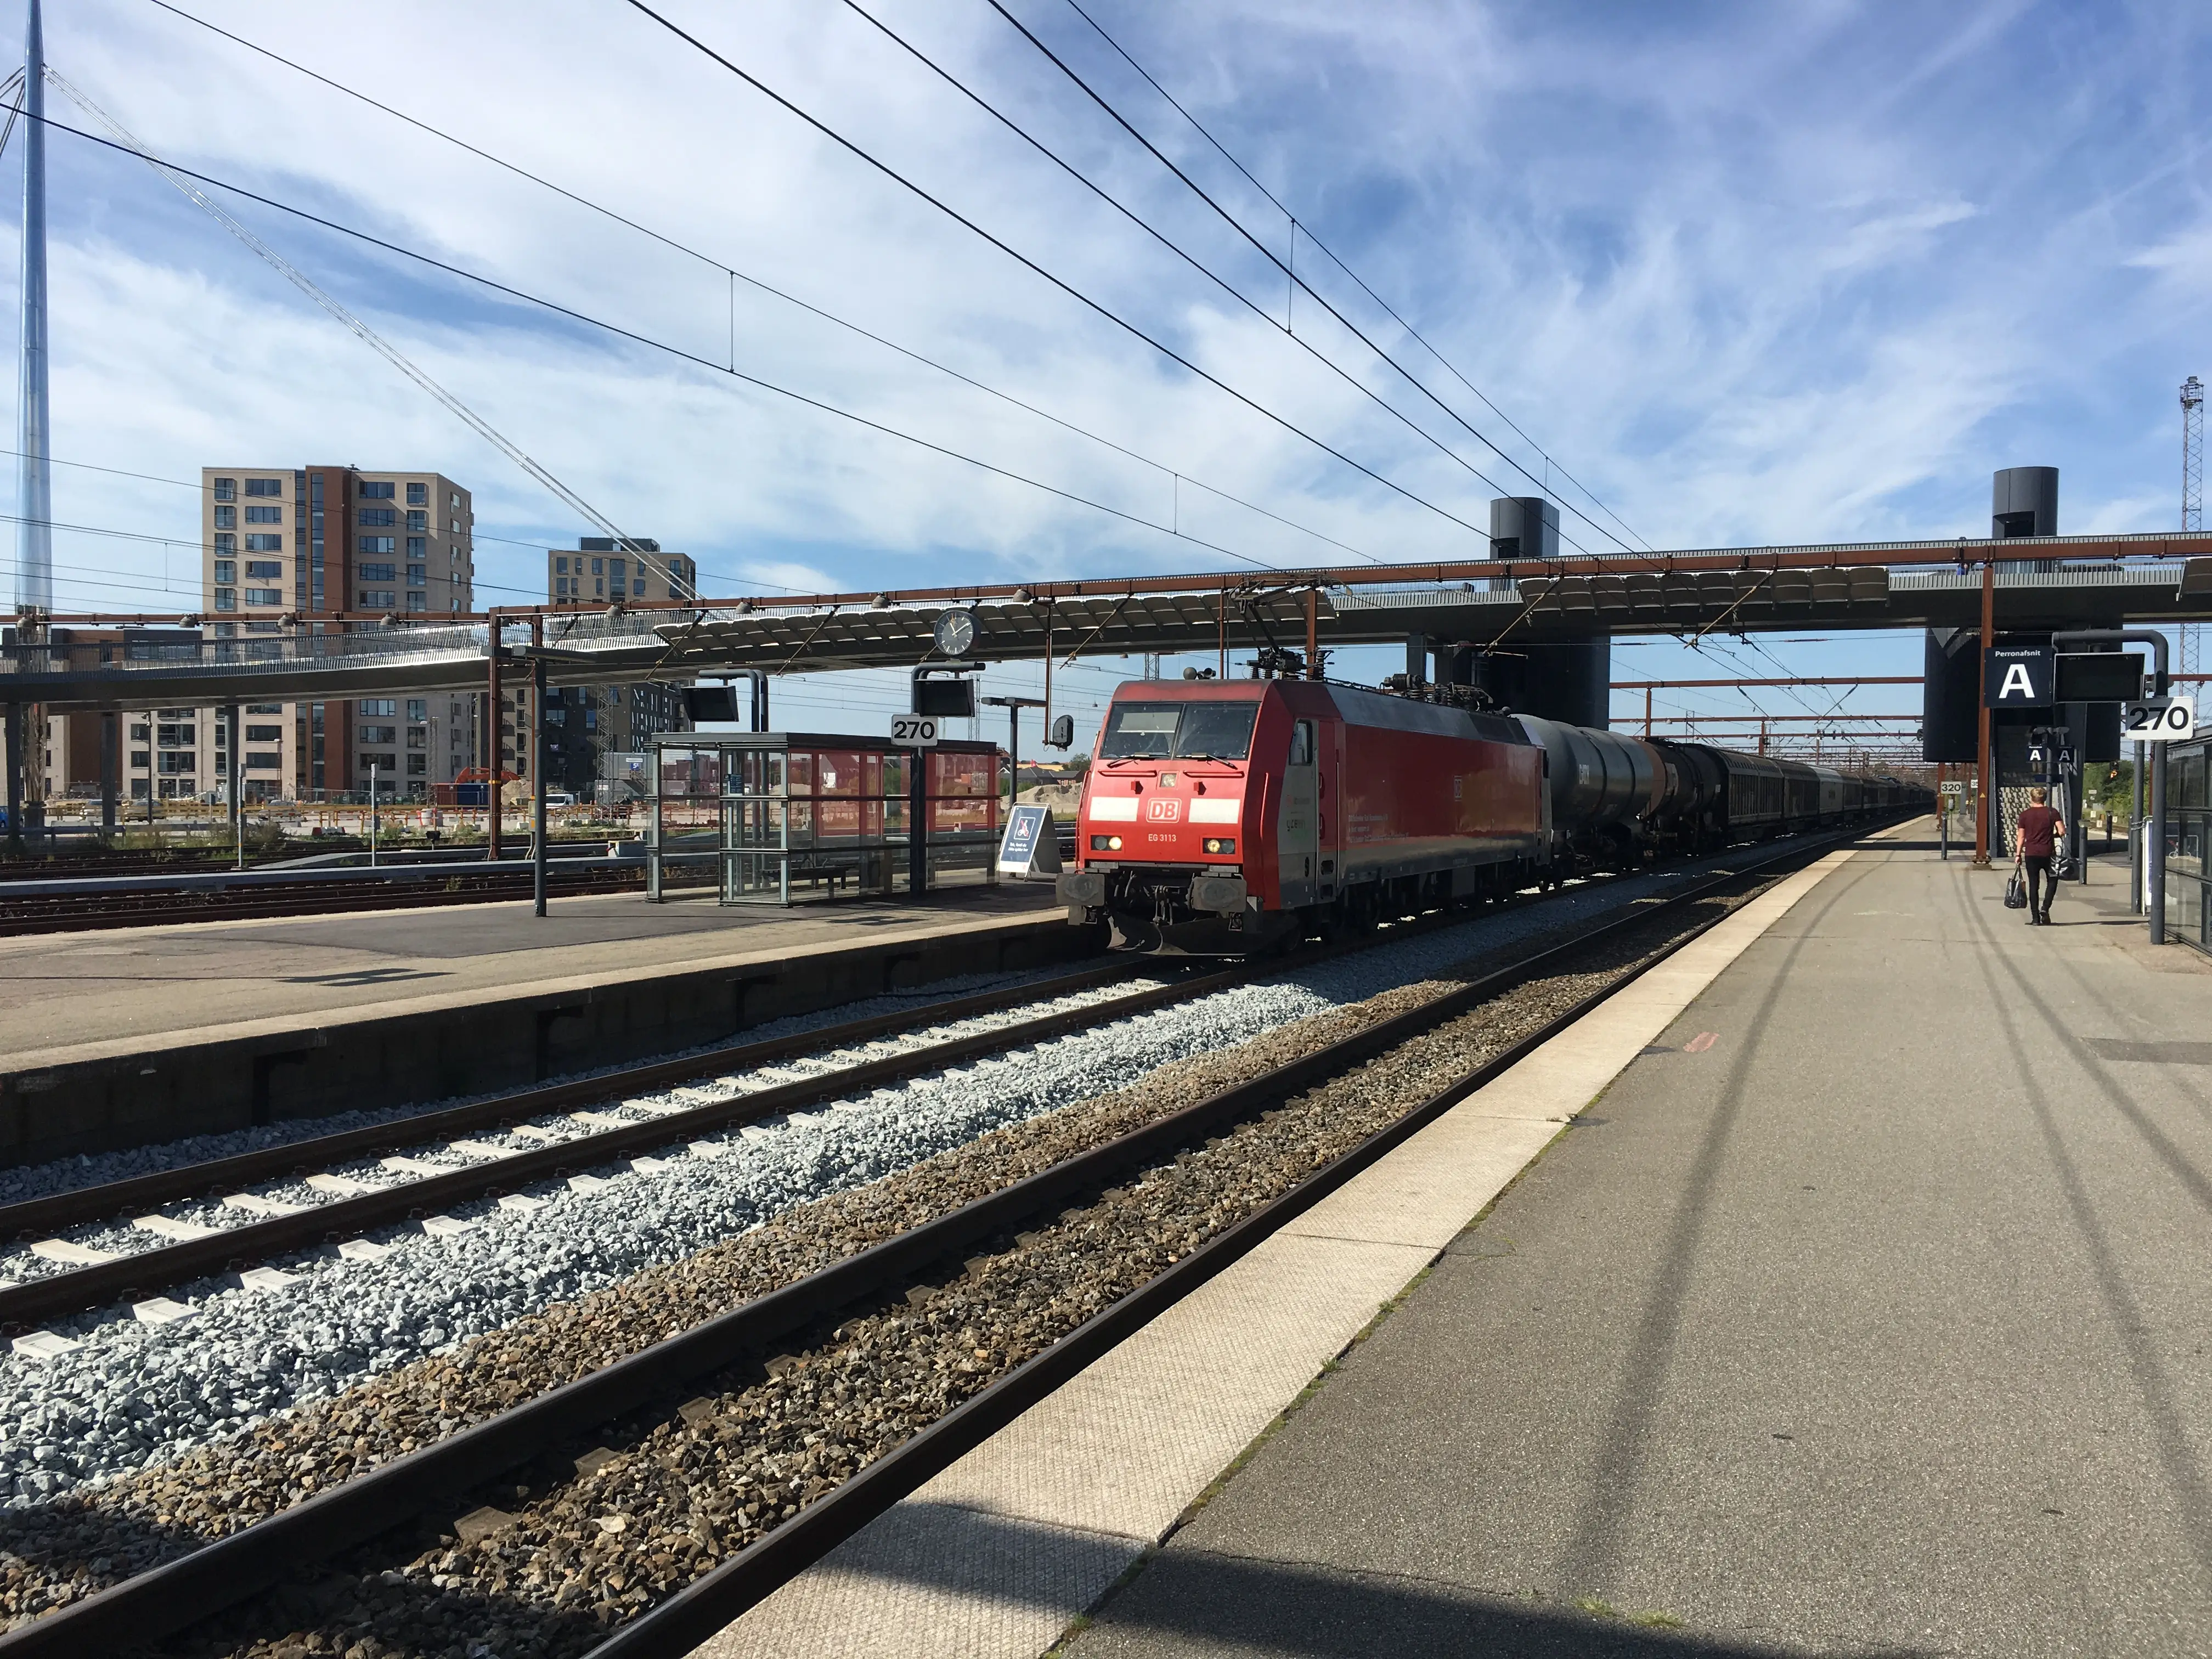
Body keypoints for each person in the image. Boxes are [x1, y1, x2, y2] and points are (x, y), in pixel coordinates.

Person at [2015, 787, 2065, 926]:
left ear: (2032, 798)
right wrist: (2052, 835)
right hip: (2049, 853)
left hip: (2031, 854)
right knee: (2053, 881)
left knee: (2034, 885)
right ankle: (2045, 908)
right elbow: (2062, 831)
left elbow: (2021, 837)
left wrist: (2018, 854)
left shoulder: (2025, 815)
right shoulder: (2052, 812)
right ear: (2045, 798)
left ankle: (2035, 918)